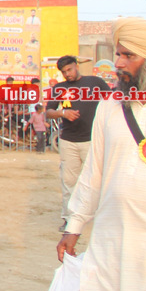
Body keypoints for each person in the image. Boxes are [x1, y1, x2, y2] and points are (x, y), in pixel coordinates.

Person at [57, 17, 146, 291]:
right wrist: (74, 225)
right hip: (118, 240)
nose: (119, 63)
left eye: (129, 56)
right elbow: (93, 172)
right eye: (118, 54)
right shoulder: (110, 106)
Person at [46, 55, 111, 232]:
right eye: (64, 72)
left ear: (76, 66)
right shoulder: (60, 88)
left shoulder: (95, 82)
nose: (68, 74)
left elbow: (113, 102)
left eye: (70, 69)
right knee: (69, 183)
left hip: (93, 140)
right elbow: (49, 112)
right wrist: (63, 113)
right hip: (68, 140)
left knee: (95, 181)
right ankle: (69, 219)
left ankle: (98, 218)